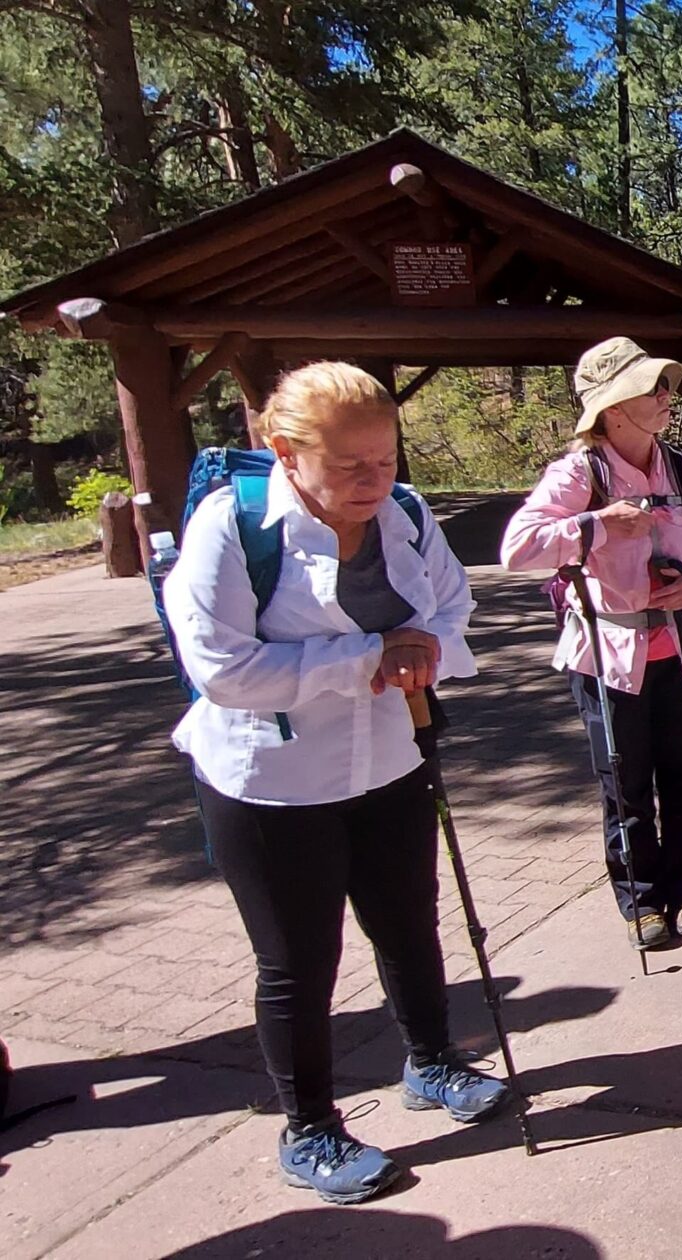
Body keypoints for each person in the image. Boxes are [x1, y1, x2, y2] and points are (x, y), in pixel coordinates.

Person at [163, 362, 507, 1207]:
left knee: (409, 924)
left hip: (389, 757)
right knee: (298, 960)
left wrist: (424, 651)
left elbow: (453, 610)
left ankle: (431, 1064)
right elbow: (221, 668)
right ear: (285, 452)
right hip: (271, 783)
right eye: (351, 464)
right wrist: (367, 658)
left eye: (386, 459)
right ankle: (309, 1128)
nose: (374, 480)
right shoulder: (230, 527)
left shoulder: (408, 514)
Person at [501, 337, 682, 951]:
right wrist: (597, 525)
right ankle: (641, 902)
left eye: (664, 384)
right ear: (611, 410)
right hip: (607, 659)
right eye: (649, 388)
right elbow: (517, 550)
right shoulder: (578, 473)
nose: (665, 396)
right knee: (625, 782)